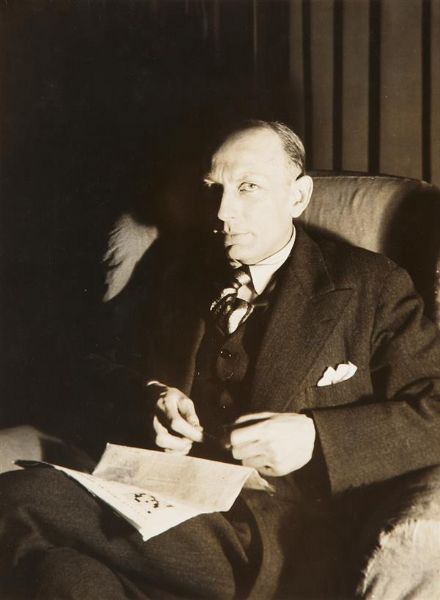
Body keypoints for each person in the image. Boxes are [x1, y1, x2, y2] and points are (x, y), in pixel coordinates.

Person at [0, 120, 439, 599]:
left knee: (20, 497)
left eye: (248, 187)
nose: (223, 212)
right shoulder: (179, 271)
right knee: (63, 575)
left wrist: (316, 438)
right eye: (214, 189)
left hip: (284, 540)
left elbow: (435, 410)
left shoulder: (371, 284)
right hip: (165, 508)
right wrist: (149, 396)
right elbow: (91, 364)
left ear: (297, 197)